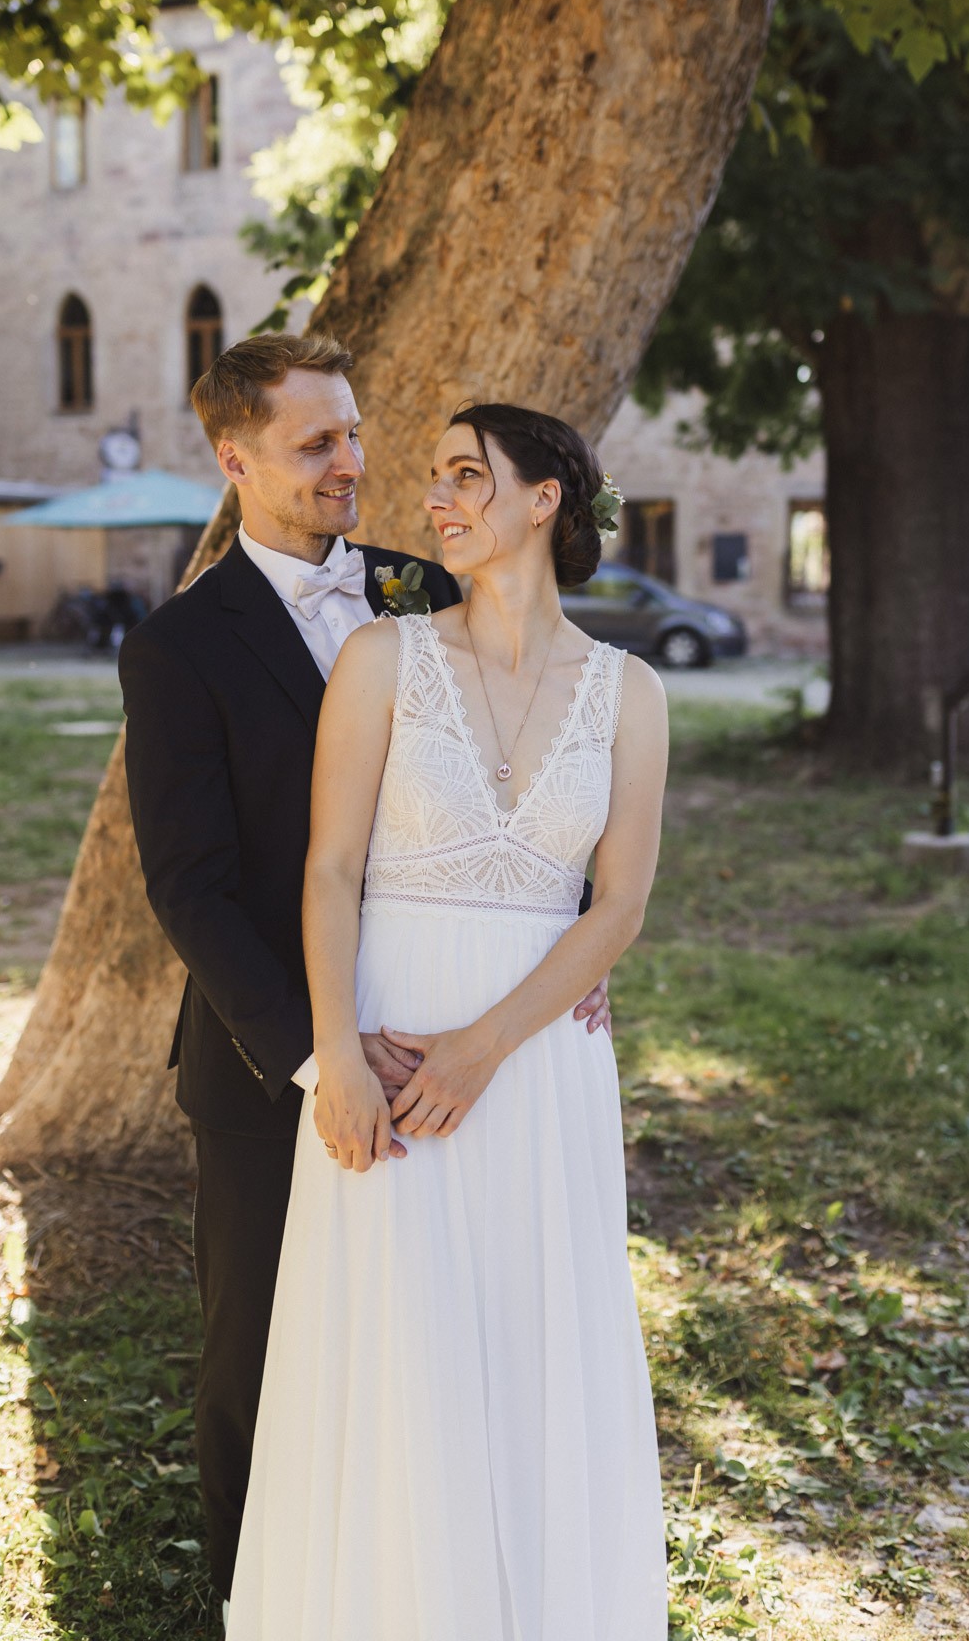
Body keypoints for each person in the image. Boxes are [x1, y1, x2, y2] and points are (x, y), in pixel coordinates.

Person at [117, 338, 612, 1617]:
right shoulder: (178, 647)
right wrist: (316, 1054)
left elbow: (517, 764)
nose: (352, 463)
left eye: (352, 434)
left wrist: (557, 949)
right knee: (258, 1357)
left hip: (447, 1018)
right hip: (265, 1053)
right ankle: (258, 1603)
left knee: (439, 1334)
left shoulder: (417, 582)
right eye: (314, 444)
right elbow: (190, 885)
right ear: (236, 462)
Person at [227, 404, 669, 1640]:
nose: (437, 499)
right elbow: (327, 872)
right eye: (434, 479)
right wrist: (336, 1068)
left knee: (535, 1340)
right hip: (384, 1035)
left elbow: (619, 903)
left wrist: (485, 1044)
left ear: (545, 501)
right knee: (397, 1348)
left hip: (535, 1065)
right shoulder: (383, 658)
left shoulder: (630, 694)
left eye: (469, 476)